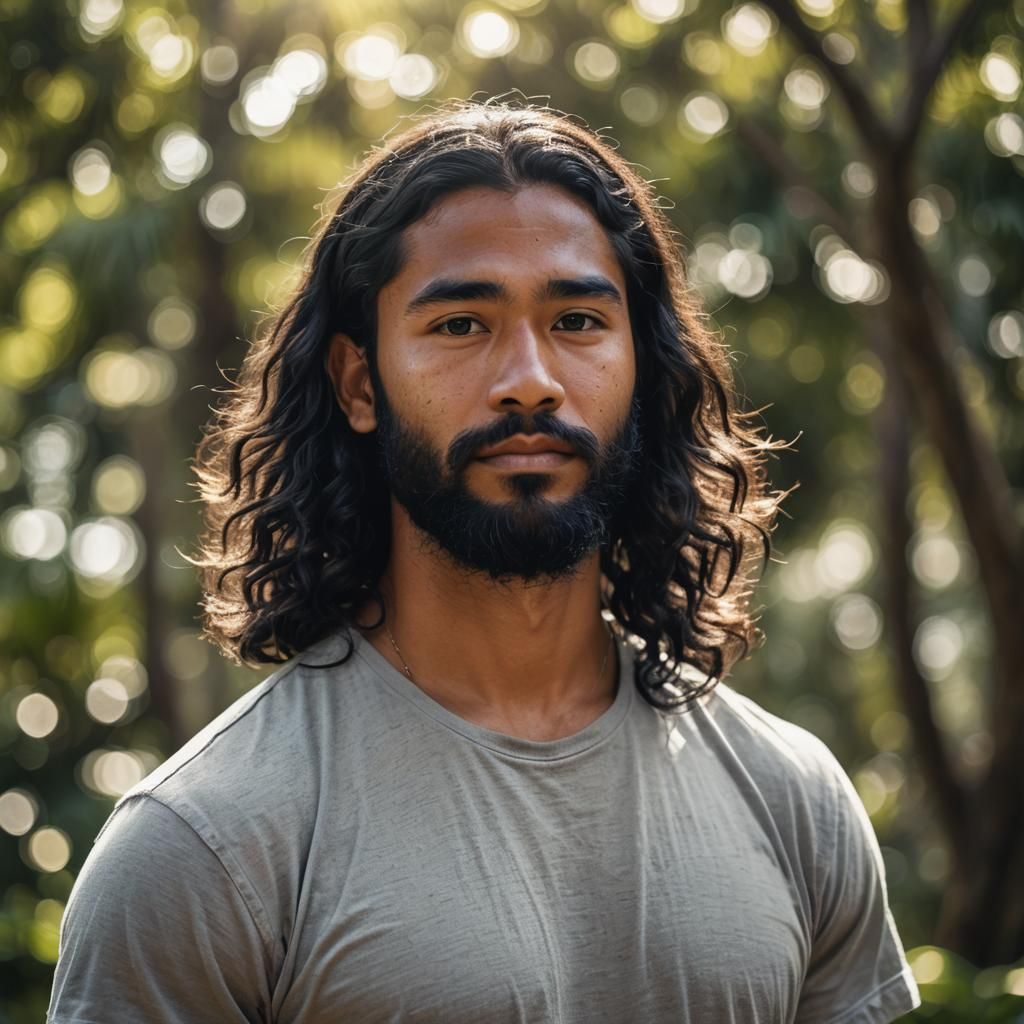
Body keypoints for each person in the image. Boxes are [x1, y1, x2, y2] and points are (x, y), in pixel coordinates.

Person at [48, 97, 921, 1023]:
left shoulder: (795, 802)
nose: (530, 380)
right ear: (358, 383)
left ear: (642, 366)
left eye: (579, 321)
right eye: (461, 324)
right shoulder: (205, 845)